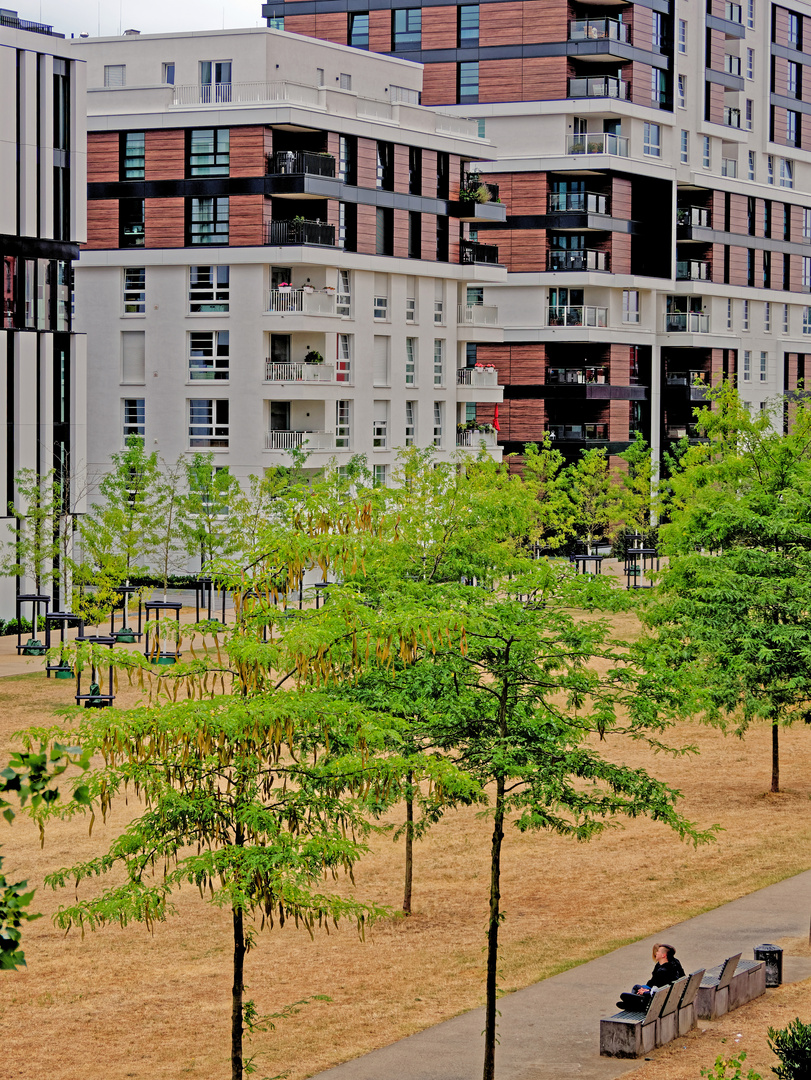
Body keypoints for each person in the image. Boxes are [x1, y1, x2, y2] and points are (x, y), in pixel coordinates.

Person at [616, 944, 685, 1011]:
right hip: (667, 995)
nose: (656, 953)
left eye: (658, 951)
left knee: (623, 995)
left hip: (658, 1001)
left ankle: (635, 1005)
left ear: (663, 955)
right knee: (637, 987)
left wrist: (645, 992)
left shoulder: (662, 971)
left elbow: (657, 993)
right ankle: (631, 1004)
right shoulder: (674, 963)